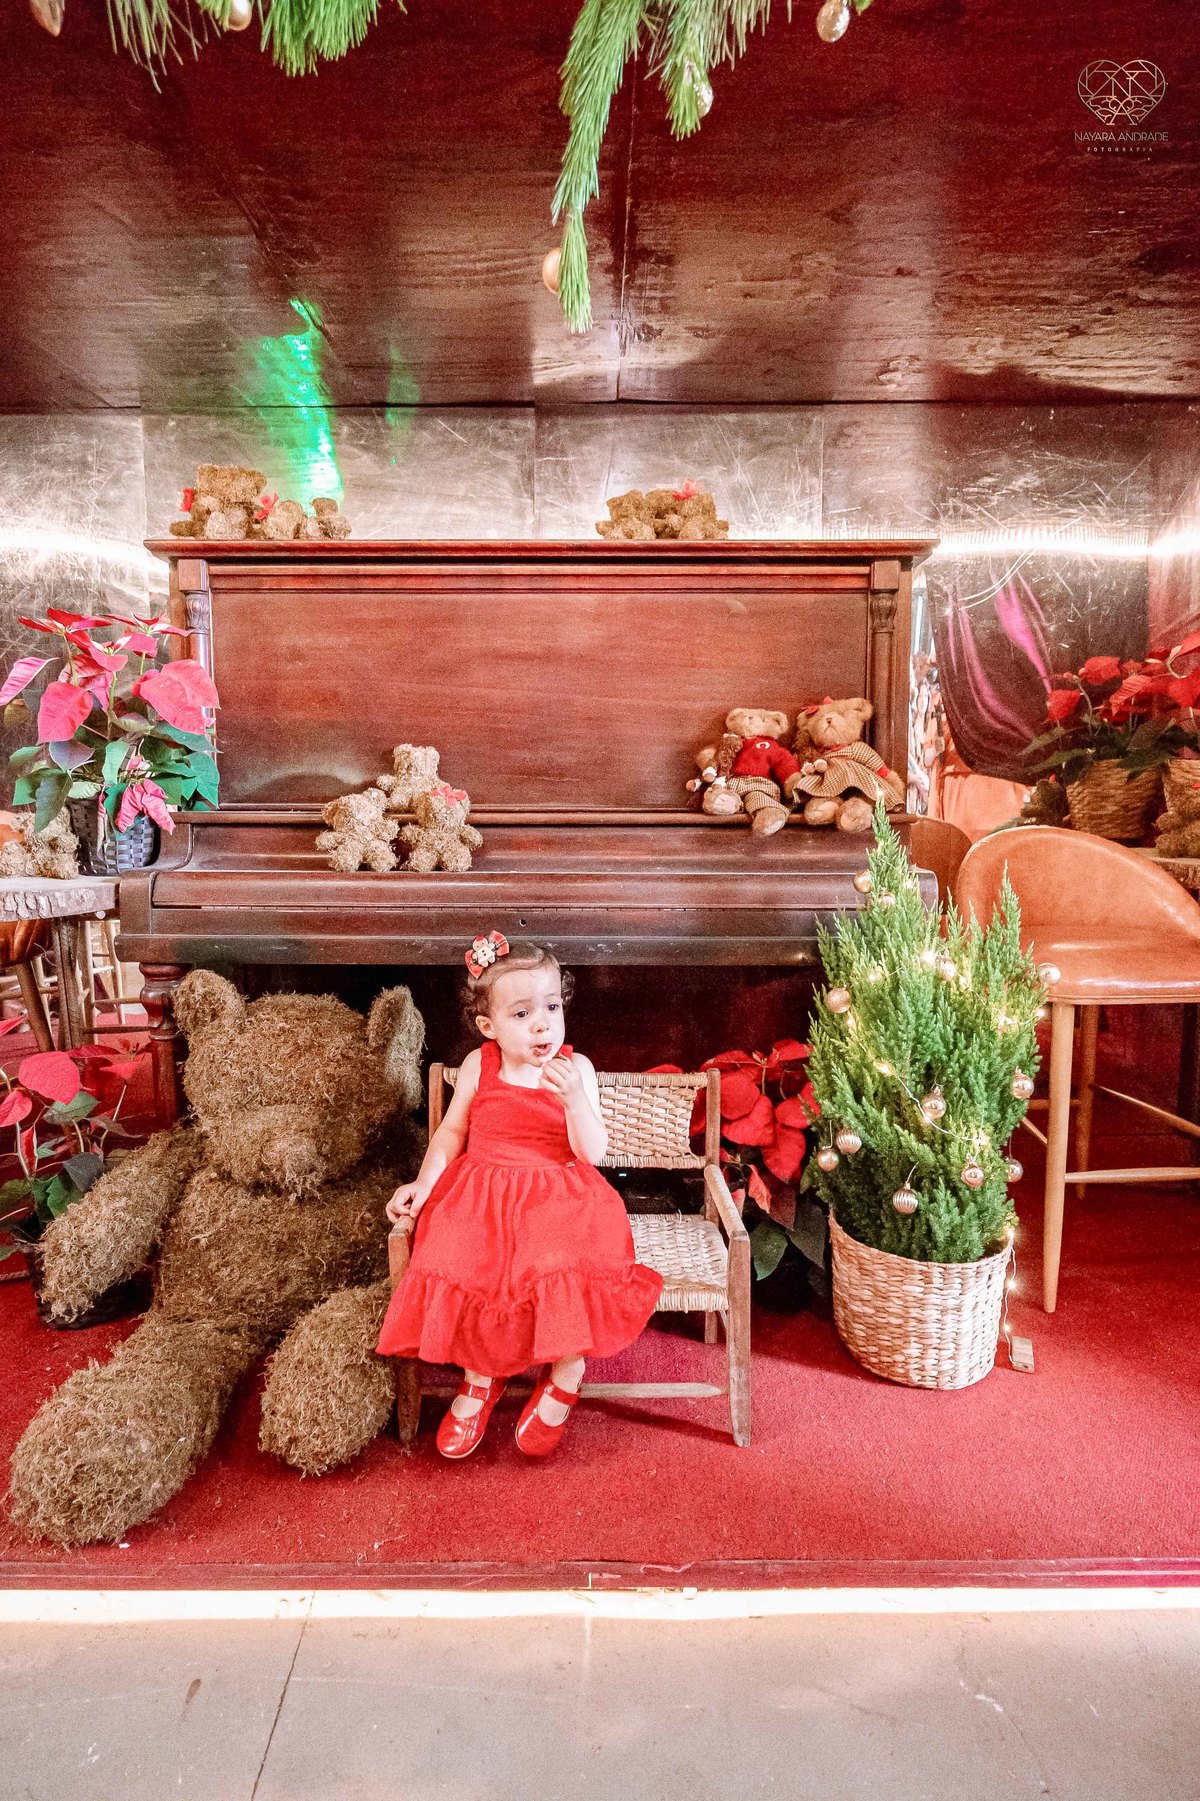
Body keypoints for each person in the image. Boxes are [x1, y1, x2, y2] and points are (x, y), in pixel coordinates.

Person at [376, 934, 663, 1459]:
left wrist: (574, 1100)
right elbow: (451, 1133)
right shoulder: (478, 1066)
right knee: (464, 1256)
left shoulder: (576, 1070)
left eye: (552, 1007)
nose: (542, 1025)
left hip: (560, 1192)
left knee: (561, 1262)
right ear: (489, 1026)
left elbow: (592, 1152)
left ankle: (566, 1369)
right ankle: (481, 1373)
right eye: (523, 1013)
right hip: (484, 1190)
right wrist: (423, 1183)